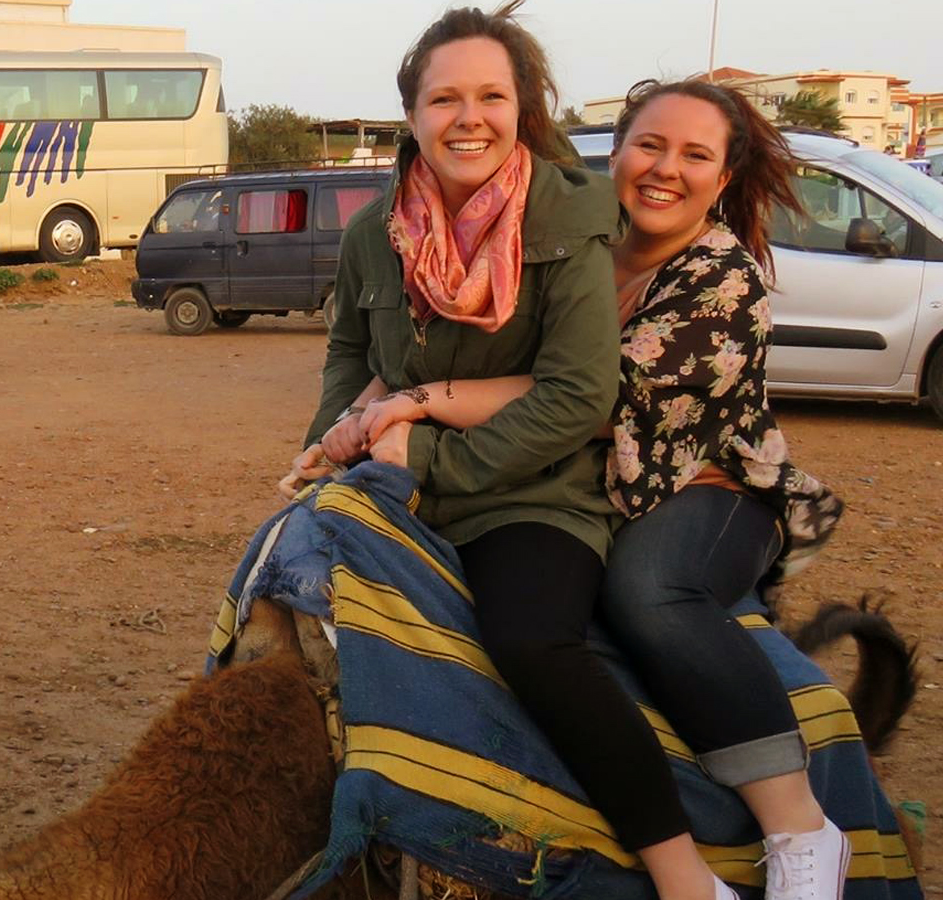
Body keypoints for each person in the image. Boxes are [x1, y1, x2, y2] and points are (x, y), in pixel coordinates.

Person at [335, 77, 856, 900]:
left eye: (695, 156)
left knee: (648, 593)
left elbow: (582, 389)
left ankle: (800, 827)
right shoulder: (566, 240)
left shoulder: (724, 283)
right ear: (614, 153)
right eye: (649, 145)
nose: (664, 169)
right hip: (588, 478)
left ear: (722, 180)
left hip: (702, 484)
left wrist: (414, 404)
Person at [275, 5, 734, 900]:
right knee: (283, 609)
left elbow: (577, 395)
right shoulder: (377, 233)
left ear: (522, 107)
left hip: (531, 490)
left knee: (534, 641)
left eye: (491, 95)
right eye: (445, 98)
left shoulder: (569, 215)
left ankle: (685, 876)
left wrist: (432, 469)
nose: (468, 117)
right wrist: (329, 436)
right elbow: (349, 356)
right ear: (412, 114)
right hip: (393, 474)